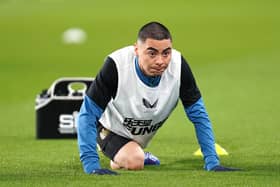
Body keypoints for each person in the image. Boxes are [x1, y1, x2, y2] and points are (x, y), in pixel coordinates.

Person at [77, 21, 239, 175]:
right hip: (108, 128)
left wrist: (212, 162)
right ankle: (128, 154)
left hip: (138, 135)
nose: (160, 61)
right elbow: (87, 114)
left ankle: (126, 153)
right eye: (152, 53)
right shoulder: (116, 66)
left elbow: (199, 115)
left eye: (166, 53)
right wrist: (92, 165)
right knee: (135, 161)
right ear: (137, 50)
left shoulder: (179, 67)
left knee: (134, 155)